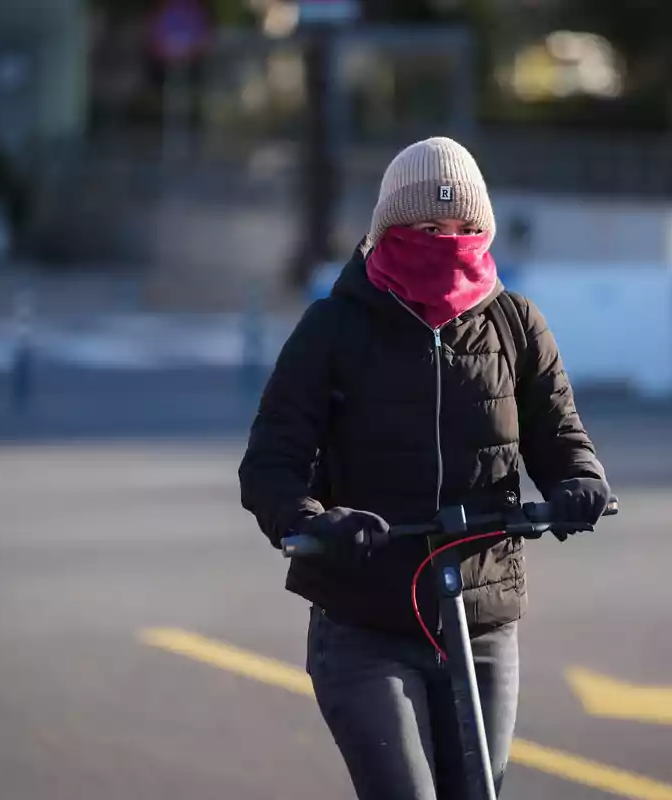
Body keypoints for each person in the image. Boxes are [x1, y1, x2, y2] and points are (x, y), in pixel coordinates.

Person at [238, 136, 610, 799]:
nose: (449, 242)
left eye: (466, 228)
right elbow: (271, 460)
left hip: (482, 617)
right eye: (429, 228)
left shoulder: (517, 324)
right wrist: (312, 520)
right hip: (364, 624)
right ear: (388, 230)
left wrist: (579, 483)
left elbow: (560, 438)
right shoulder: (333, 328)